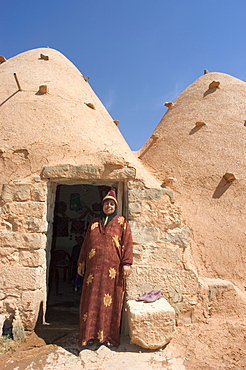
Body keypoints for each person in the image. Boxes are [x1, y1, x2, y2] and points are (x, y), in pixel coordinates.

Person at [77, 190, 133, 348]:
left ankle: (107, 337)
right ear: (102, 206)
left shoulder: (121, 222)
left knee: (110, 302)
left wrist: (127, 263)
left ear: (115, 206)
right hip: (93, 272)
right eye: (106, 203)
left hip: (112, 271)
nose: (109, 206)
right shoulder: (94, 223)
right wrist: (81, 263)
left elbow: (127, 243)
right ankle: (89, 336)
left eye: (112, 204)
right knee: (91, 302)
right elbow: (86, 244)